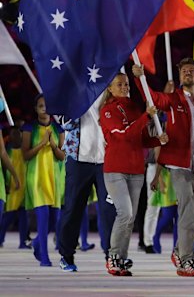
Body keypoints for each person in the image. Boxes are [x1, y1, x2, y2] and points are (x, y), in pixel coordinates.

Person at [132, 58, 194, 277]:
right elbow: (153, 97)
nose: (187, 73)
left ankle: (179, 250)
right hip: (180, 165)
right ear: (180, 78)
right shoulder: (173, 100)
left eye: (191, 71)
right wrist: (140, 78)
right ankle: (186, 261)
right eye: (183, 71)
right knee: (187, 212)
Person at [100, 72, 167, 277]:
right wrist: (145, 116)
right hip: (115, 170)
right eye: (119, 84)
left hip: (137, 170)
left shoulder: (134, 107)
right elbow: (124, 135)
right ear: (110, 88)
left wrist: (158, 140)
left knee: (130, 218)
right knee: (125, 213)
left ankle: (121, 258)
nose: (124, 87)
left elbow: (141, 139)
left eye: (126, 84)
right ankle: (112, 257)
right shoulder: (108, 111)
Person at [57, 96, 117, 272]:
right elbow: (64, 122)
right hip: (78, 158)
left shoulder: (111, 84)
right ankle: (66, 255)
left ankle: (111, 255)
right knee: (73, 208)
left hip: (108, 159)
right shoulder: (75, 89)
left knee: (109, 210)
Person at [22, 94, 65, 267]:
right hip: (37, 177)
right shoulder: (28, 128)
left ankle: (38, 242)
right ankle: (45, 258)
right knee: (43, 217)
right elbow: (25, 155)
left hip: (54, 178)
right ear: (36, 109)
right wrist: (41, 143)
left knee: (56, 220)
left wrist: (53, 144)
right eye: (41, 106)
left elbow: (62, 156)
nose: (45, 109)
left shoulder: (59, 129)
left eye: (47, 106)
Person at [0, 121, 29, 249]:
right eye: (14, 134)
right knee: (8, 216)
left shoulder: (25, 150)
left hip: (23, 187)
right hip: (13, 187)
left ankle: (23, 242)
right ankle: (0, 238)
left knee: (23, 215)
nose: (16, 136)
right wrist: (6, 184)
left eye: (18, 134)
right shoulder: (8, 150)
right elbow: (5, 169)